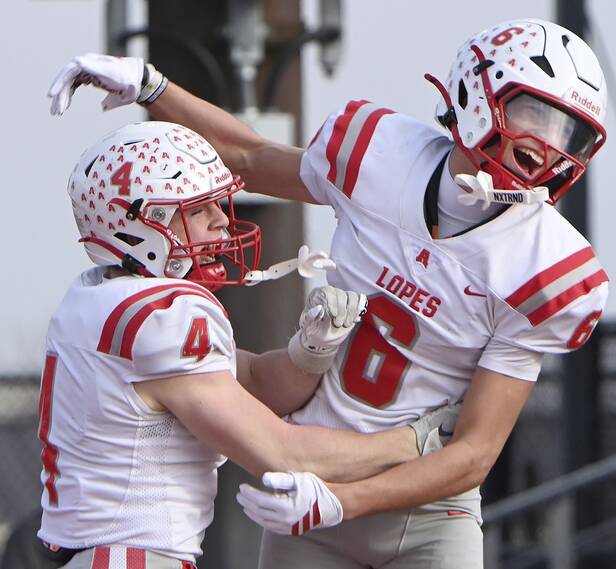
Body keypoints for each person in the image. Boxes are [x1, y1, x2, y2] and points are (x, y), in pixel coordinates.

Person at [48, 17, 610, 569]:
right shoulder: (379, 156)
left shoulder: (551, 270)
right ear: (479, 92)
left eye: (570, 134)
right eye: (536, 115)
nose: (551, 147)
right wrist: (156, 87)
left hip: (424, 509)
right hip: (310, 491)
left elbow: (472, 455)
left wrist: (343, 498)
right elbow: (248, 157)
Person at [35, 120, 429, 569]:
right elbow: (282, 454)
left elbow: (257, 381)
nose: (223, 220)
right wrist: (412, 443)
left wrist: (311, 350)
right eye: (200, 209)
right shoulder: (164, 314)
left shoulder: (96, 297)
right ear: (144, 226)